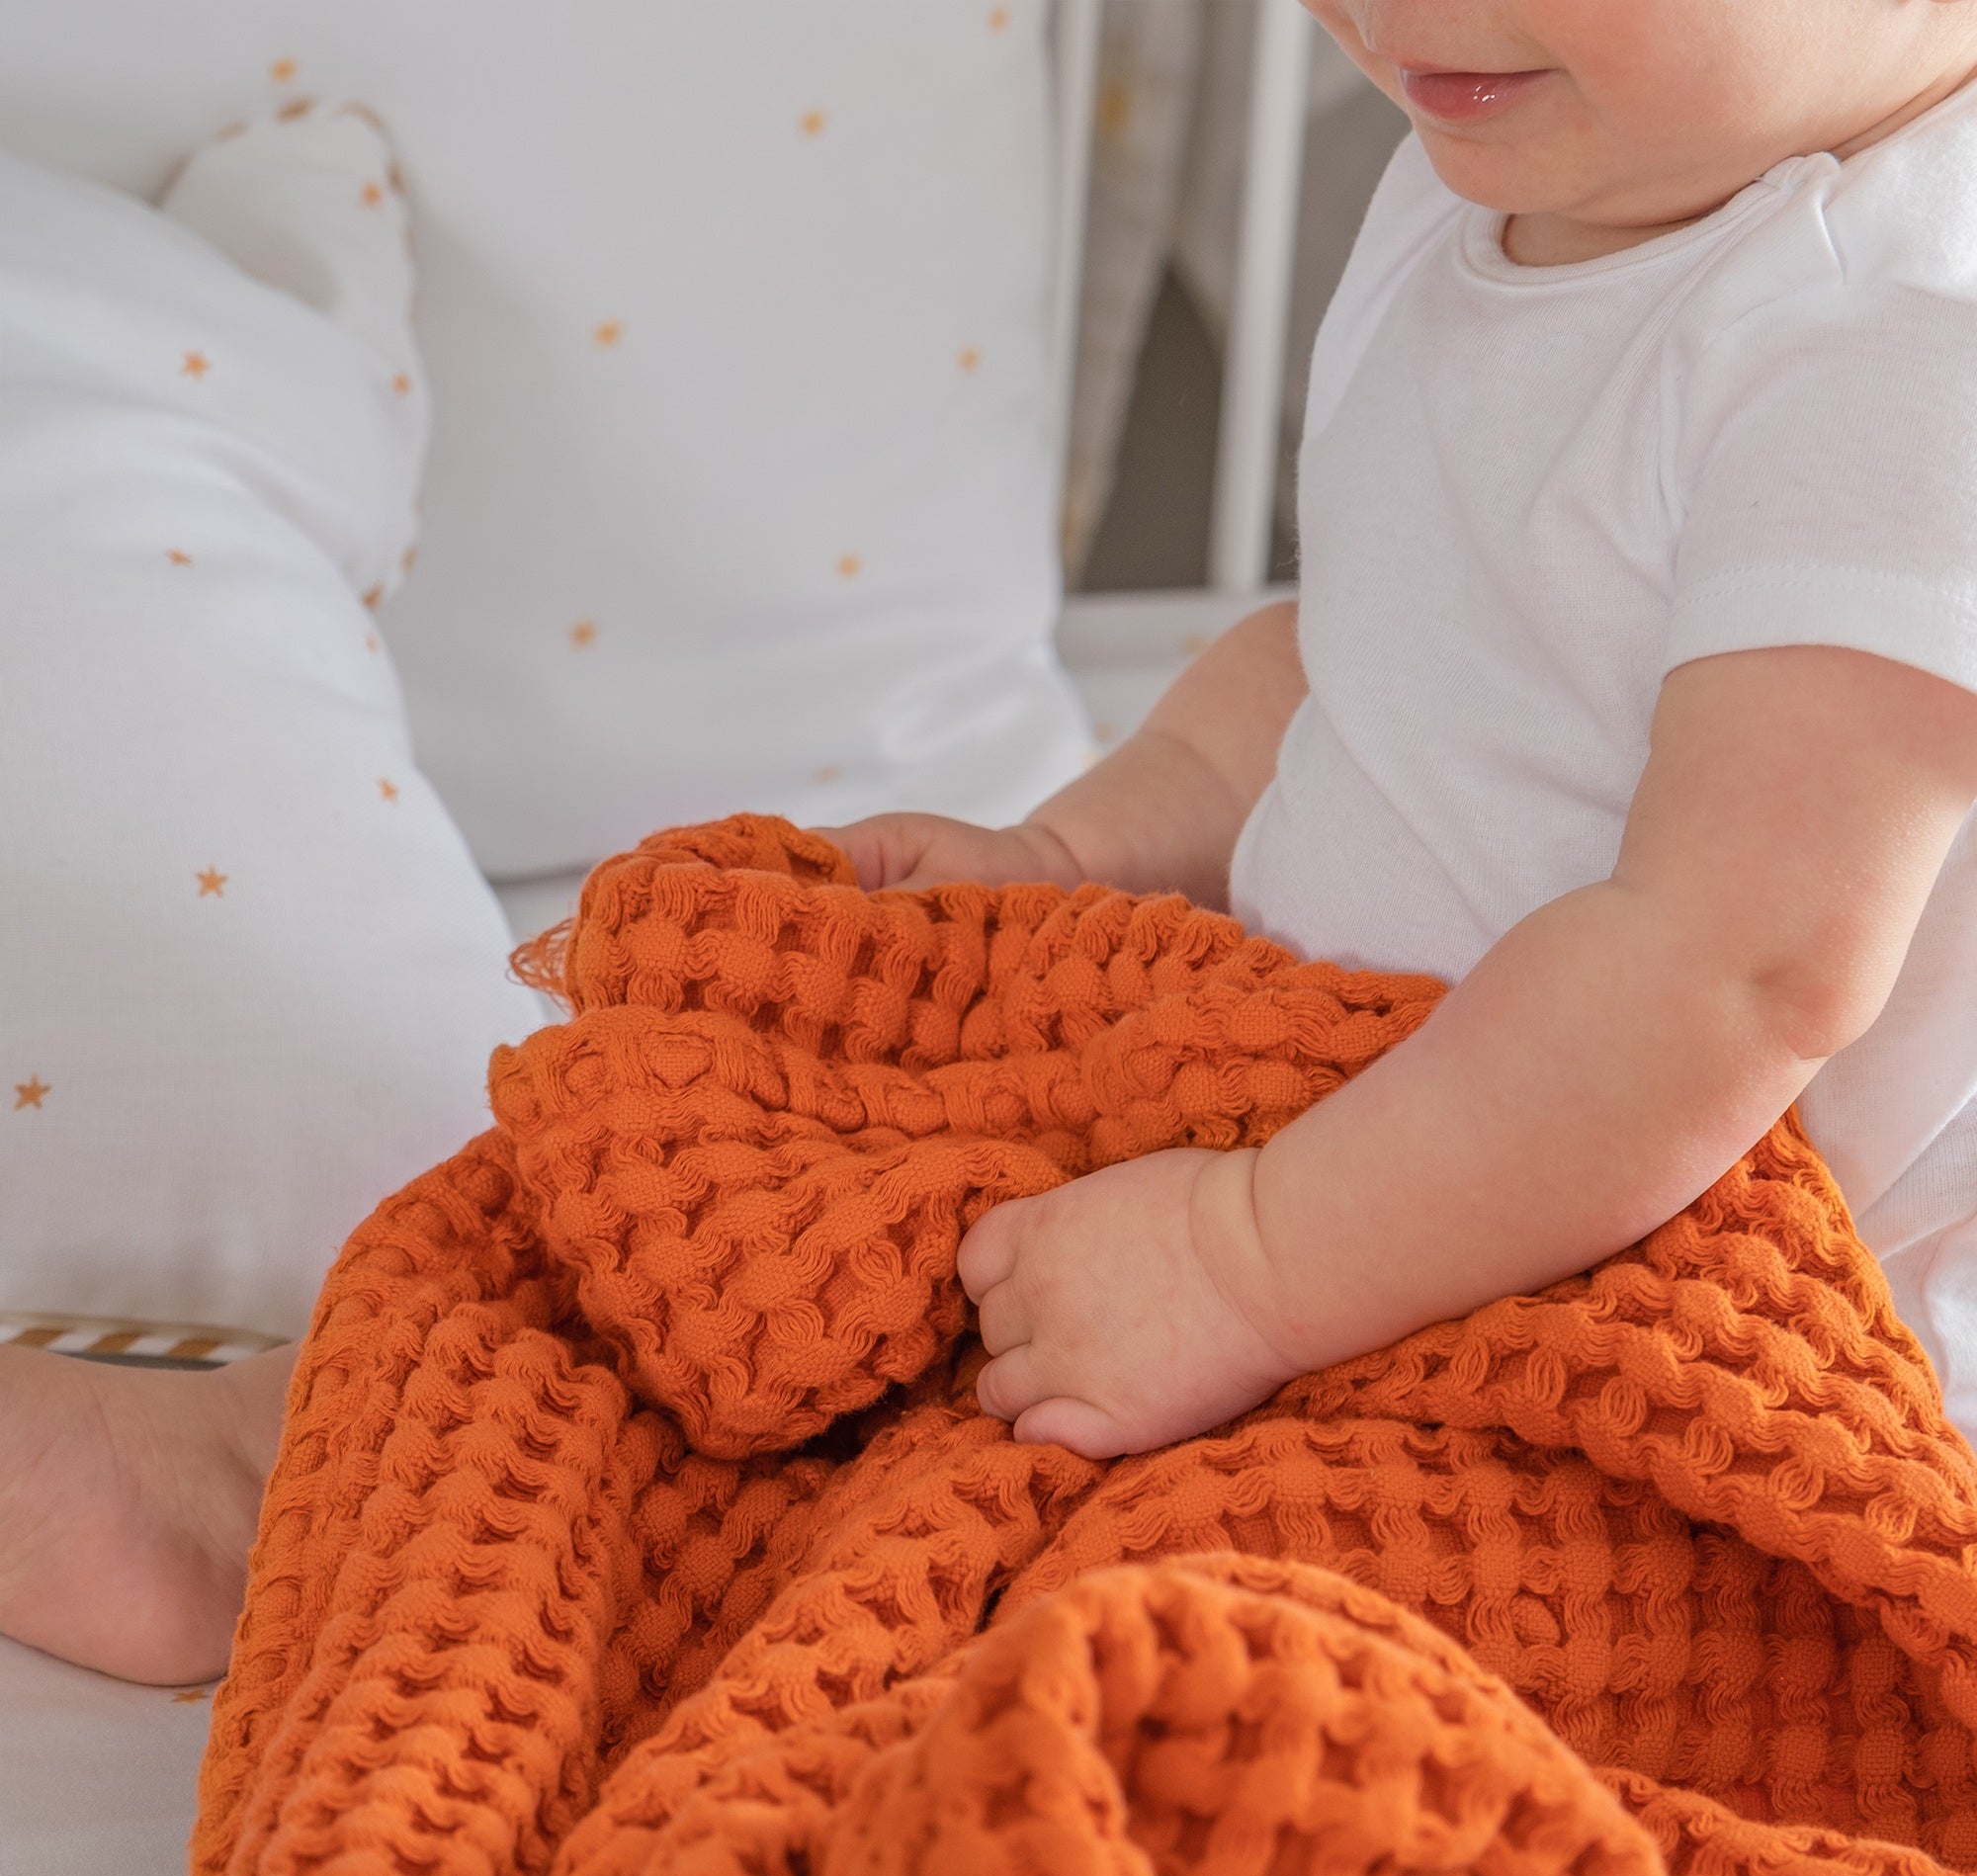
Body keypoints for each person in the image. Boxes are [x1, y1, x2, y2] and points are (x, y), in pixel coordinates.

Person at [6, 0, 1977, 1686]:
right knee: (716, 1126)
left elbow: (1734, 972)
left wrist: (1246, 1264)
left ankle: (356, 1524)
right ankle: (302, 1449)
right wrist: (1079, 850)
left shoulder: (1898, 346)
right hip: (1321, 1112)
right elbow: (1362, 655)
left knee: (1100, 1578)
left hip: (1628, 1281)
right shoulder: (1536, 164)